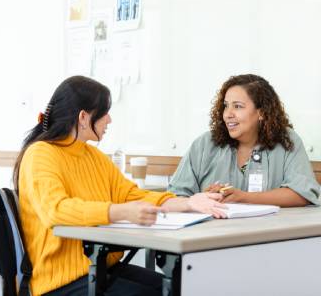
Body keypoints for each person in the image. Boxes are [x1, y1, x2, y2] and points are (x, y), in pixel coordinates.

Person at [13, 76, 227, 296]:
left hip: (100, 268)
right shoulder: (40, 154)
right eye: (104, 112)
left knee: (180, 286)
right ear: (84, 117)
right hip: (58, 281)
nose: (109, 120)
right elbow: (55, 210)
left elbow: (130, 195)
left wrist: (188, 203)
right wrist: (121, 212)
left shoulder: (94, 156)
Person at [168, 74, 320, 207]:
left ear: (261, 112)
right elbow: (174, 196)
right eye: (226, 106)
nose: (228, 114)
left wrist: (244, 198)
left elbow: (302, 194)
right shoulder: (204, 144)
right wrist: (204, 200)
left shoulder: (286, 140)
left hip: (268, 234)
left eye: (238, 106)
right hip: (211, 233)